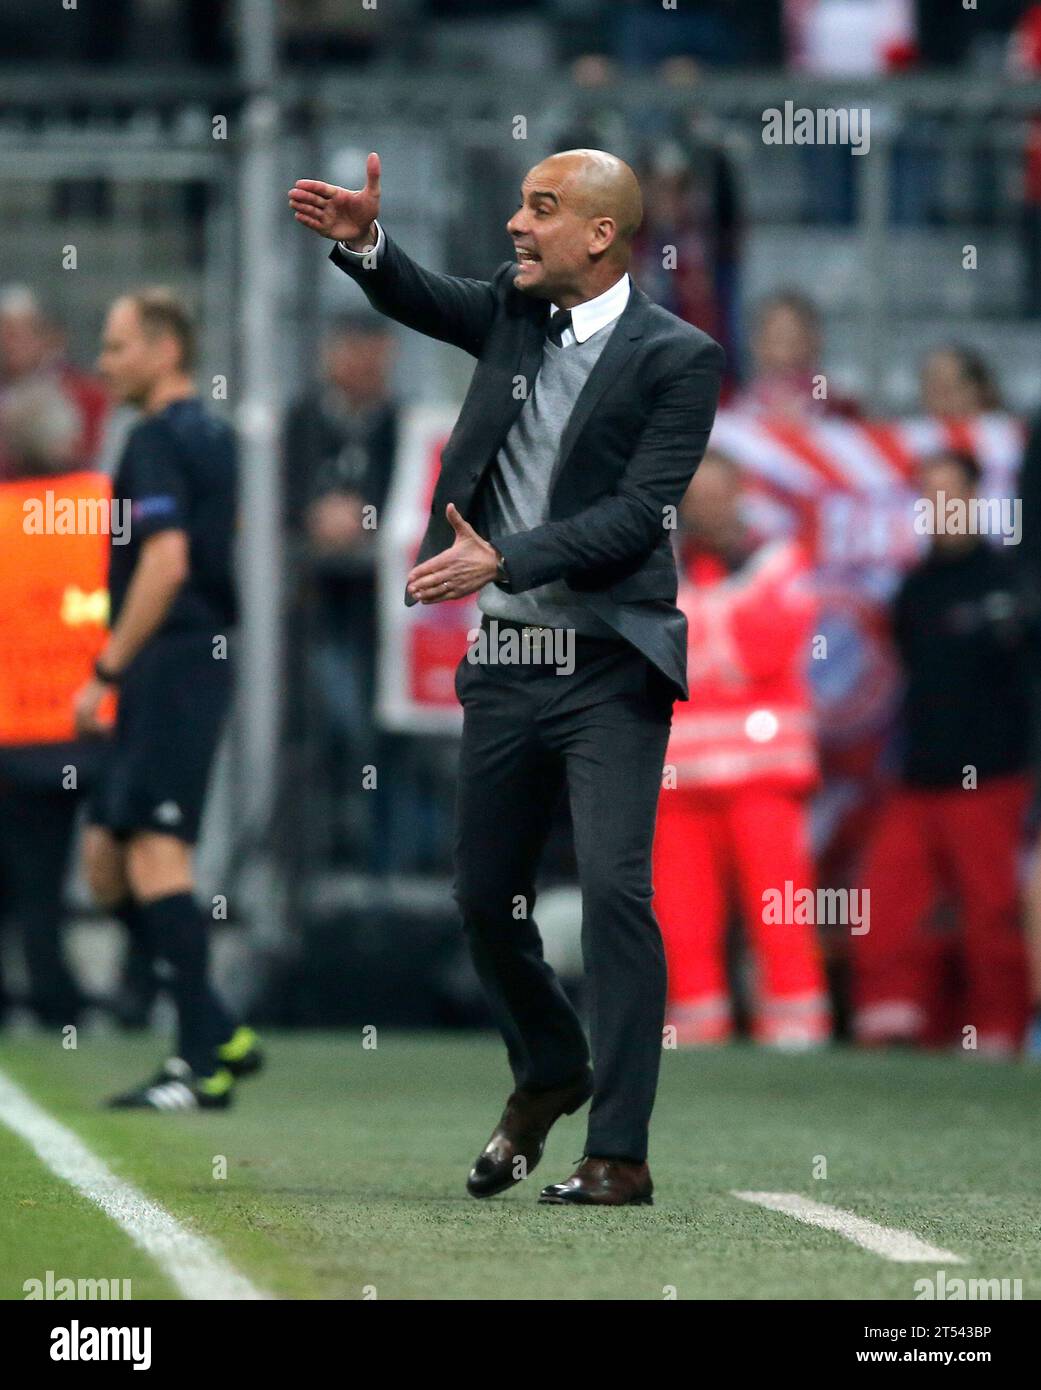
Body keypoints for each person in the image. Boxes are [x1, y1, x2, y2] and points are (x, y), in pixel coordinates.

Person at [290, 148, 724, 1205]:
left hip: (611, 661)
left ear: (602, 235)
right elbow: (426, 297)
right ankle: (552, 1066)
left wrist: (509, 557)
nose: (517, 228)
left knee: (618, 893)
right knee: (486, 900)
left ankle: (619, 1151)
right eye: (520, 206)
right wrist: (365, 247)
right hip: (508, 661)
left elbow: (638, 517)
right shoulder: (514, 313)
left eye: (542, 210)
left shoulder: (680, 358)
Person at [75, 288, 262, 1109]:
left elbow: (168, 562)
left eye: (117, 347)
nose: (105, 362)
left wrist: (108, 669)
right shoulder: (212, 436)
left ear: (164, 349)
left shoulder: (154, 437)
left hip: (169, 664)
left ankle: (199, 1062)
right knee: (107, 859)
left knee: (153, 853)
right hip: (188, 663)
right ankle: (215, 1023)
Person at [851, 449, 1034, 1054]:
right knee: (884, 903)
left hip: (993, 777)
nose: (941, 505)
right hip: (918, 775)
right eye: (929, 494)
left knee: (991, 911)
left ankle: (999, 1030)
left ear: (979, 497)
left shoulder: (1012, 586)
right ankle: (892, 1022)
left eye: (951, 492)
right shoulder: (913, 589)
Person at [654, 450, 830, 1048]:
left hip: (764, 776)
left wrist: (696, 634)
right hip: (677, 777)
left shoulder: (781, 561)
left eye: (714, 492)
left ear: (741, 493)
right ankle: (698, 1033)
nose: (703, 505)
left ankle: (796, 1031)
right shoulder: (655, 566)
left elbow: (766, 647)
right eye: (692, 494)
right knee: (682, 919)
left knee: (779, 911)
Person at [0, 381, 110, 1026]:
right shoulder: (101, 506)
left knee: (29, 885)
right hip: (91, 727)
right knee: (127, 868)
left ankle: (52, 1000)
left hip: (13, 733)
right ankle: (113, 996)